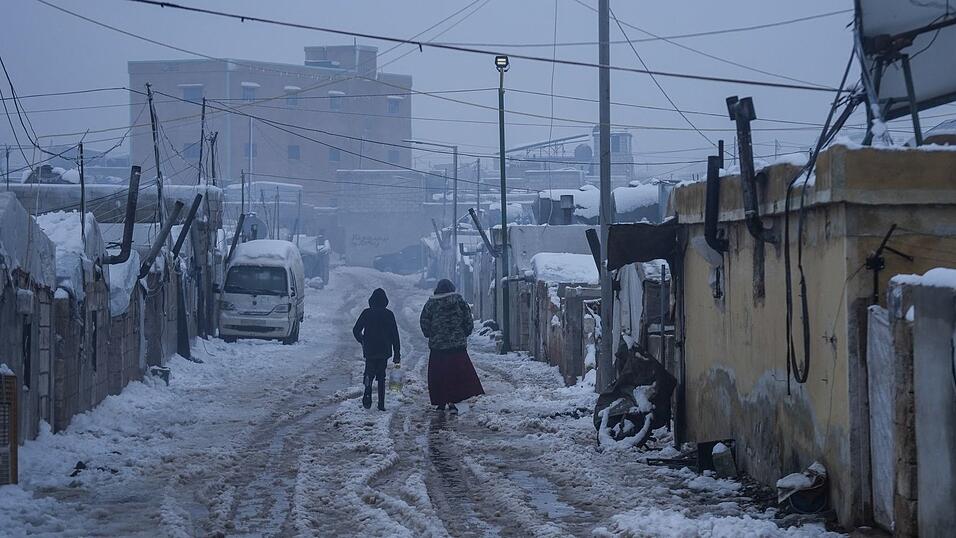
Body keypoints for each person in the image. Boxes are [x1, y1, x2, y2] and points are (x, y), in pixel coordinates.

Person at [420, 279, 484, 413]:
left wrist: (431, 334)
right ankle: (454, 401)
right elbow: (468, 321)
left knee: (440, 375)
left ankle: (441, 402)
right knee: (456, 375)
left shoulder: (430, 304)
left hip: (438, 347)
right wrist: (463, 334)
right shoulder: (460, 302)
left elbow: (424, 322)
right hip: (457, 347)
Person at [352, 288, 401, 411]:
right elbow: (395, 335)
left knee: (369, 372)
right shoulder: (389, 314)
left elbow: (356, 330)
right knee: (381, 376)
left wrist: (362, 340)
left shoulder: (366, 313)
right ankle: (381, 403)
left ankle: (367, 389)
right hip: (384, 350)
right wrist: (397, 354)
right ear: (385, 301)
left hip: (370, 349)